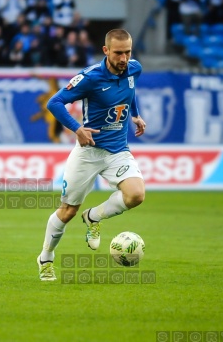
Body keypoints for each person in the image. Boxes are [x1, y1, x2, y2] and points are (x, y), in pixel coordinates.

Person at [36, 29, 147, 281]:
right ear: (106, 51)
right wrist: (77, 129)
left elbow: (129, 92)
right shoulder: (90, 77)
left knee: (136, 195)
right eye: (118, 53)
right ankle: (45, 257)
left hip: (118, 150)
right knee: (67, 212)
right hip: (88, 151)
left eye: (128, 52)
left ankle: (94, 216)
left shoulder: (134, 68)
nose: (124, 58)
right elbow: (54, 102)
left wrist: (136, 115)